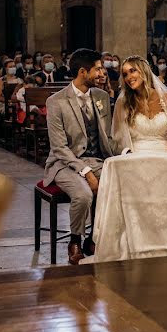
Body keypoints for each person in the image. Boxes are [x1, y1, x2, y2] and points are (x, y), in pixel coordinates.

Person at [43, 48, 123, 265]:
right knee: (84, 195)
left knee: (116, 186)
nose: (102, 74)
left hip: (96, 159)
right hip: (64, 163)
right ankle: (75, 240)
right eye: (98, 69)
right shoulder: (56, 101)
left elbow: (106, 136)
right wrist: (86, 172)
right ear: (82, 72)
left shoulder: (102, 96)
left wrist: (124, 152)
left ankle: (94, 238)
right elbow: (59, 148)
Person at [113, 56, 167, 154]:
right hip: (134, 157)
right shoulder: (123, 102)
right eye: (125, 74)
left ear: (144, 71)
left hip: (164, 156)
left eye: (133, 71)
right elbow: (118, 139)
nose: (129, 77)